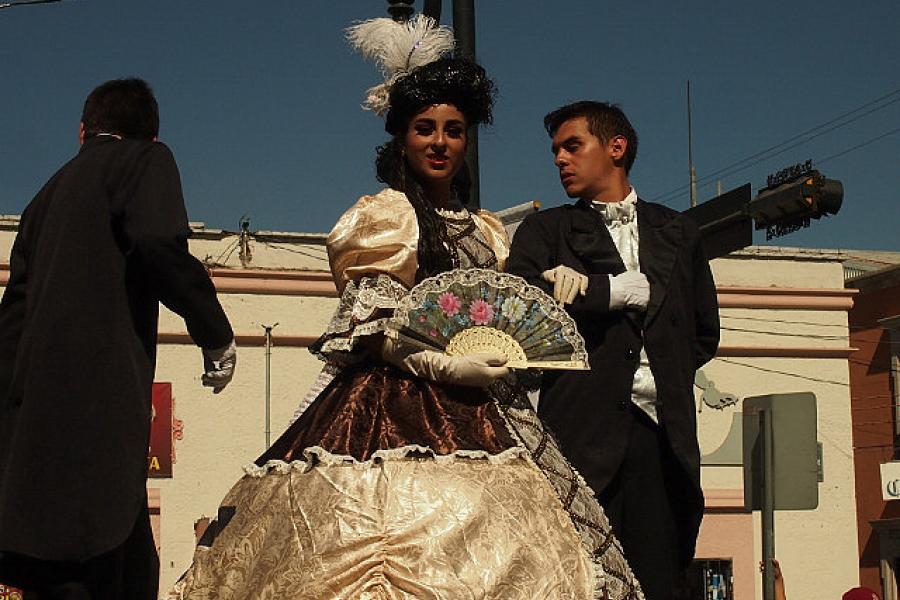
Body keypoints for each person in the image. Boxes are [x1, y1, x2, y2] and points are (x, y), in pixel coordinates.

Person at [168, 17, 642, 600]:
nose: (440, 142)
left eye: (454, 130)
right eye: (425, 129)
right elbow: (373, 323)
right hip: (389, 399)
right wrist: (447, 366)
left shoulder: (489, 230)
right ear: (402, 139)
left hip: (493, 407)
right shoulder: (385, 216)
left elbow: (504, 318)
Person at [0, 78, 236, 599]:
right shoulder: (144, 161)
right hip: (98, 437)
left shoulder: (43, 198)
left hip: (34, 449)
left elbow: (11, 320)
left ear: (82, 131)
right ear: (148, 136)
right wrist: (214, 332)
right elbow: (156, 241)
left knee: (112, 568)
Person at [506, 100, 720, 599]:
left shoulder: (678, 231)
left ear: (616, 147)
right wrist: (604, 292)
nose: (560, 159)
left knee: (658, 581)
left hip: (662, 442)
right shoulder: (547, 230)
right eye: (556, 149)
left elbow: (702, 333)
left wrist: (659, 378)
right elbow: (518, 307)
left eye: (572, 146)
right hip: (580, 438)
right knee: (576, 582)